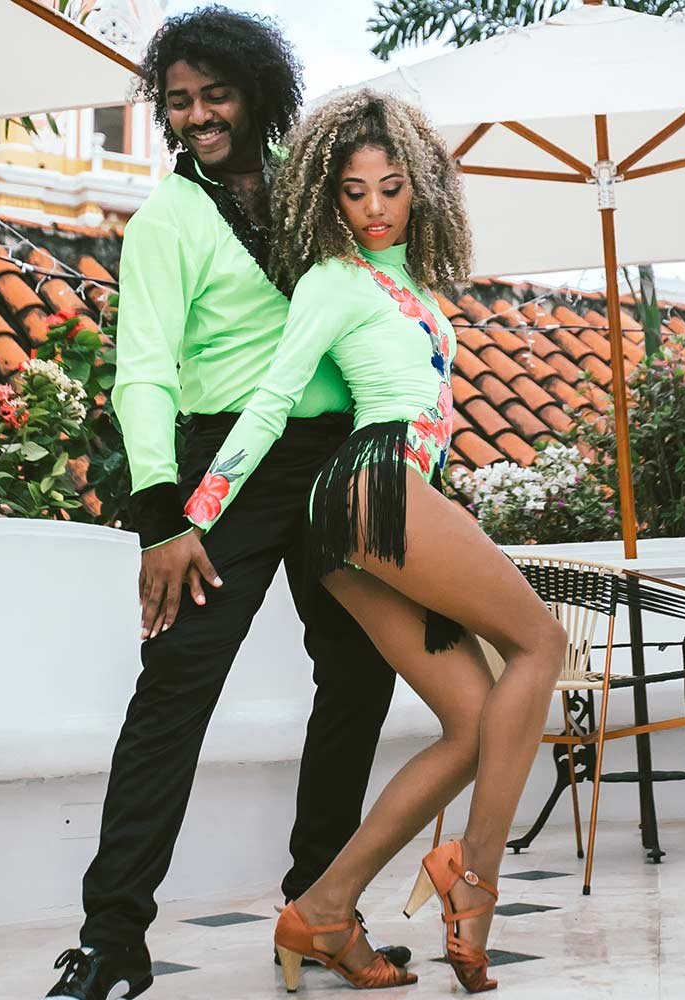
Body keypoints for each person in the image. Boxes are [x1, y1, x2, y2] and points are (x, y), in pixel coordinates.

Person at [45, 10, 409, 1000]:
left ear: (256, 89)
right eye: (179, 101)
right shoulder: (168, 217)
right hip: (224, 475)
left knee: (359, 673)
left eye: (216, 94)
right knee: (176, 691)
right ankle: (112, 937)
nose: (199, 115)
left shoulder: (311, 178)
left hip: (337, 460)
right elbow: (144, 375)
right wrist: (163, 518)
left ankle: (321, 905)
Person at [183, 89, 567, 993]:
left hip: (372, 513)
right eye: (353, 193)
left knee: (473, 723)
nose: (375, 207)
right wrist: (193, 518)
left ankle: (321, 909)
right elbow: (273, 399)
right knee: (541, 641)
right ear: (327, 197)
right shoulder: (332, 280)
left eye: (390, 187)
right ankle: (475, 883)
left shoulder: (422, 287)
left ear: (420, 186)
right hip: (371, 485)